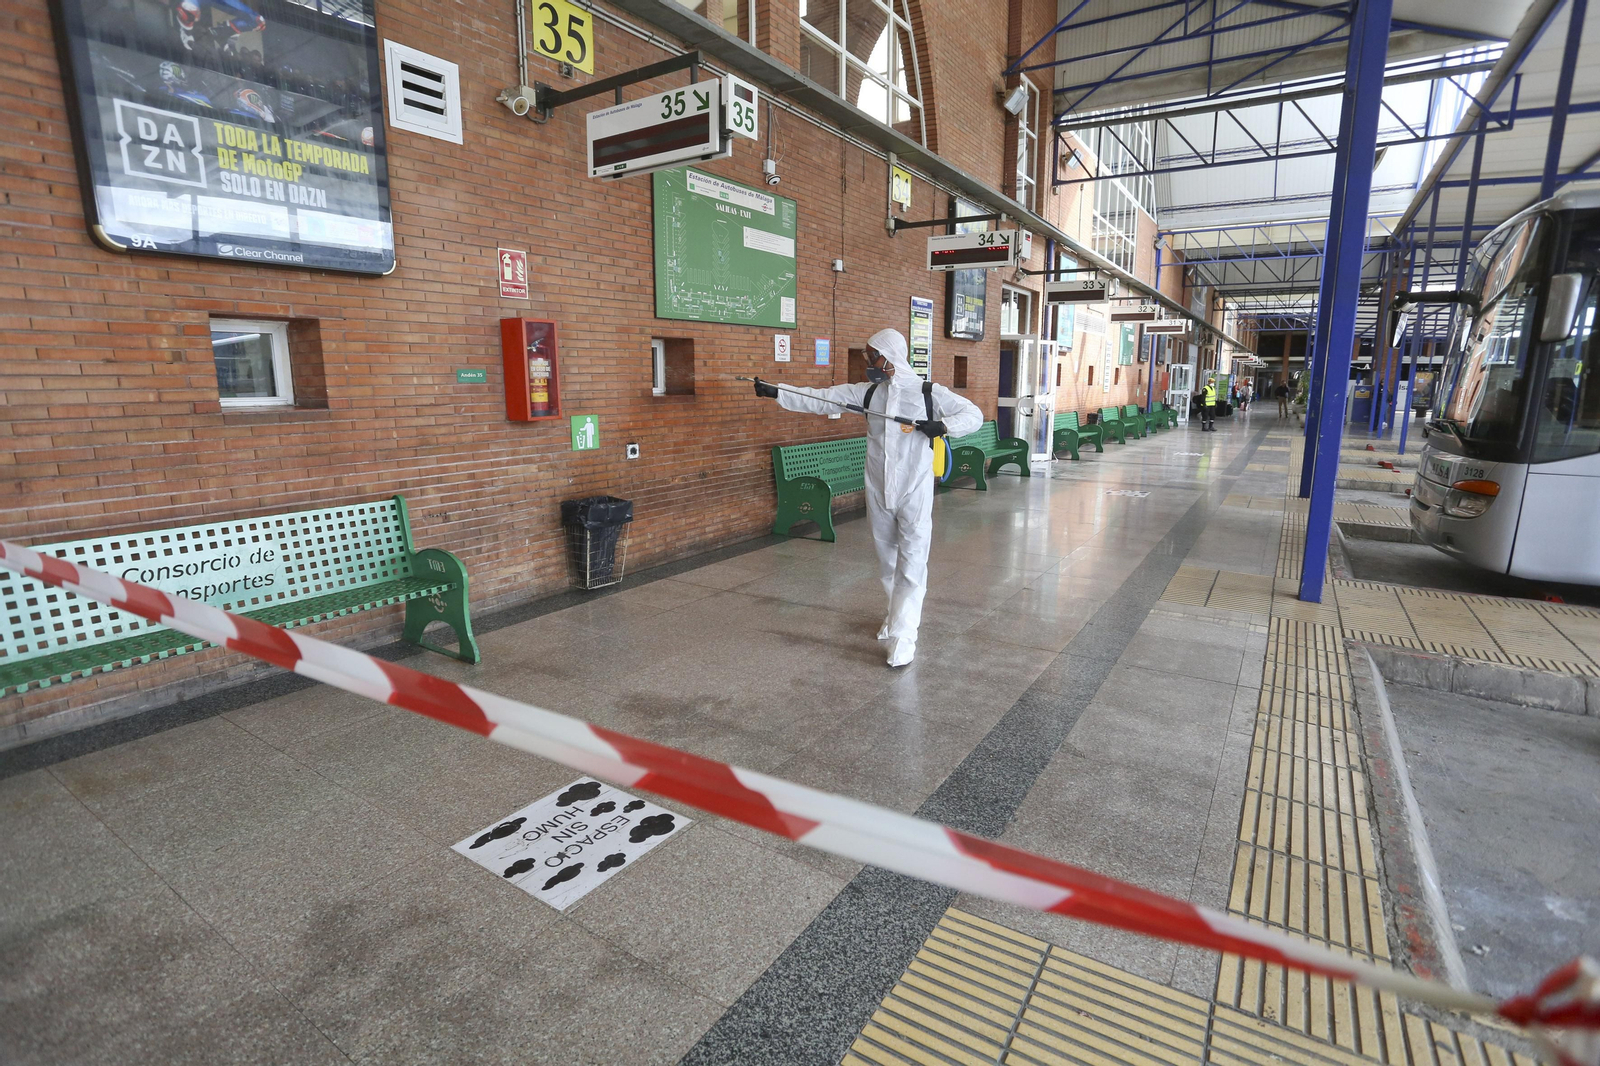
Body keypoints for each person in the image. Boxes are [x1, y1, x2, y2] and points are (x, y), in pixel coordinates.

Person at [753, 328, 981, 667]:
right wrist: (778, 392)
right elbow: (821, 398)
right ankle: (895, 616)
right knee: (887, 560)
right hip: (877, 485)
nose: (867, 362)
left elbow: (973, 415)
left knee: (913, 560)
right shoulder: (869, 394)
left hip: (914, 487)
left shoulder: (928, 393)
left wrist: (944, 426)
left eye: (871, 355)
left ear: (889, 356)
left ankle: (905, 637)